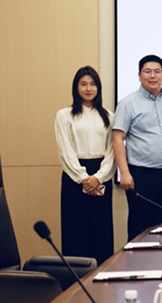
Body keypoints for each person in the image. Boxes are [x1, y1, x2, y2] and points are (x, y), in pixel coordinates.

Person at [113, 55, 162, 241]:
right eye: (147, 71)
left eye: (157, 71)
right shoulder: (128, 103)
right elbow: (117, 139)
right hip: (141, 176)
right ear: (139, 75)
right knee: (140, 228)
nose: (153, 76)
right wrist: (124, 173)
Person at [54, 66, 115, 264]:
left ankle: (102, 277)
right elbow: (65, 151)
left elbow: (112, 151)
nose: (89, 89)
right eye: (83, 84)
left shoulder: (109, 116)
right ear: (76, 87)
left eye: (93, 84)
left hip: (101, 176)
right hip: (74, 178)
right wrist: (84, 179)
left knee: (101, 232)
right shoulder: (64, 115)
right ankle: (76, 281)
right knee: (75, 232)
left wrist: (98, 177)